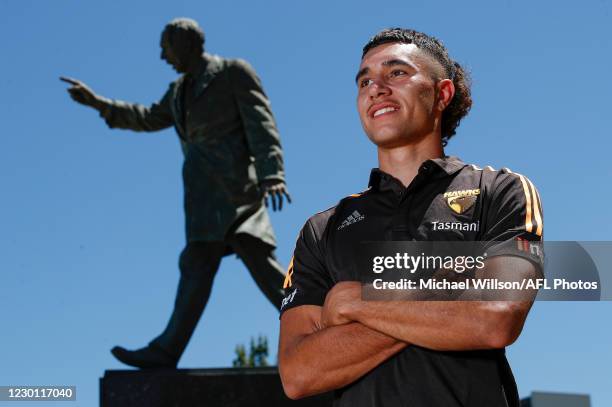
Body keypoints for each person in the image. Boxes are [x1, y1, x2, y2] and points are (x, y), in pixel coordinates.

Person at [278, 28, 544, 406]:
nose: (376, 88)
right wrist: (449, 291)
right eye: (365, 80)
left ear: (442, 93)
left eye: (397, 73)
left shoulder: (500, 190)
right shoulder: (322, 229)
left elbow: (495, 317)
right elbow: (299, 372)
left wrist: (358, 304)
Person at [61, 18, 291, 368]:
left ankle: (321, 324)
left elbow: (261, 122)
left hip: (237, 194)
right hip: (202, 199)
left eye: (165, 48)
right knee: (201, 269)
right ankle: (166, 351)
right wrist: (98, 103)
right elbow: (146, 117)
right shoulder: (178, 91)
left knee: (257, 267)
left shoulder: (232, 72)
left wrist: (271, 173)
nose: (162, 57)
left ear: (186, 44)